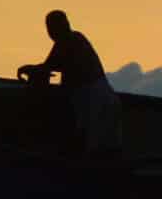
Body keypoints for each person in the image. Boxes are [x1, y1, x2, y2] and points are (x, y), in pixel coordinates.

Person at [18, 9, 121, 155]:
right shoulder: (73, 40)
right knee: (104, 151)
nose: (50, 32)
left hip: (93, 102)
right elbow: (51, 65)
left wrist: (27, 69)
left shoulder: (70, 41)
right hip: (102, 99)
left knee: (93, 152)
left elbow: (48, 67)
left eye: (51, 27)